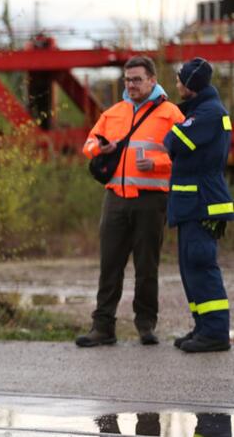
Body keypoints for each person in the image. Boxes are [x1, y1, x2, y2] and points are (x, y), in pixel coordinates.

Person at [76, 56, 184, 348]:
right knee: (109, 265)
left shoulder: (171, 114)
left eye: (137, 79)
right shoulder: (113, 113)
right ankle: (102, 327)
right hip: (115, 200)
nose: (131, 85)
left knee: (146, 267)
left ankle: (146, 326)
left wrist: (158, 164)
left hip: (151, 200)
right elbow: (87, 145)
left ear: (152, 79)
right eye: (127, 80)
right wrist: (100, 147)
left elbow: (186, 158)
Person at [164, 57, 233, 353]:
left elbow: (175, 142)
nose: (177, 84)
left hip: (201, 202)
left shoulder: (208, 113)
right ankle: (203, 326)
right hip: (192, 203)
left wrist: (176, 126)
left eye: (180, 80)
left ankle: (216, 332)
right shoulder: (201, 110)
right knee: (190, 267)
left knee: (200, 265)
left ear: (191, 84)